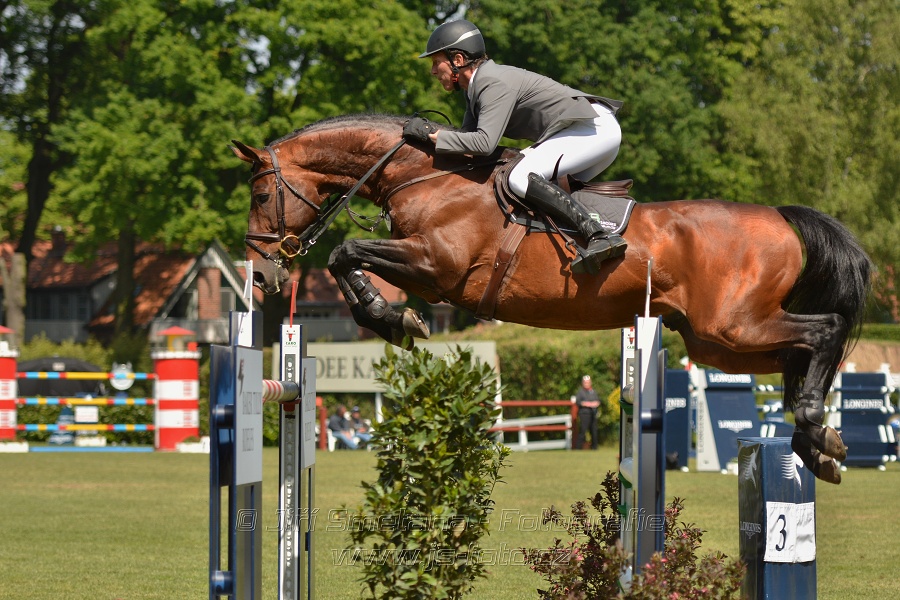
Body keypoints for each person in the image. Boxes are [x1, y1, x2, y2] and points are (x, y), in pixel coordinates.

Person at [405, 19, 627, 274]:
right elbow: (466, 142)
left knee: (519, 177)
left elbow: (483, 143)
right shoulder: (475, 89)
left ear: (457, 60)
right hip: (588, 130)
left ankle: (598, 236)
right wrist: (429, 139)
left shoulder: (492, 82)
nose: (433, 71)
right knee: (542, 195)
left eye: (436, 62)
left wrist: (432, 135)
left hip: (592, 129)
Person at [575, 375, 601, 450]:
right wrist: (588, 404)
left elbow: (598, 400)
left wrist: (596, 403)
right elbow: (578, 402)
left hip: (593, 414)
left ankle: (594, 448)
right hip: (584, 414)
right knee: (583, 431)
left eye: (588, 382)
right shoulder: (580, 392)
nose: (587, 384)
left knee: (594, 431)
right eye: (585, 382)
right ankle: (578, 448)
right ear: (583, 383)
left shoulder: (593, 391)